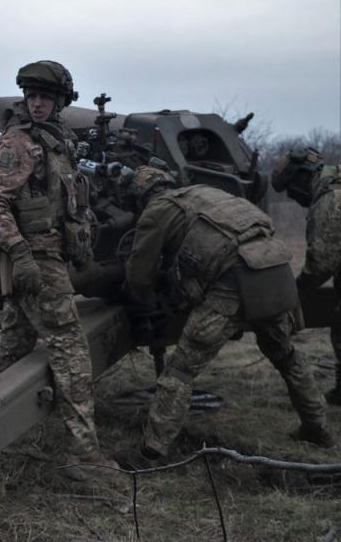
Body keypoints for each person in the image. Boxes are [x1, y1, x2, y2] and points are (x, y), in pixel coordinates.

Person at [116, 167, 333, 470]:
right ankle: (317, 428)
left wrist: (138, 294)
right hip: (275, 270)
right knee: (286, 355)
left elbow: (139, 275)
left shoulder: (158, 210)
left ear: (139, 196)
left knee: (180, 370)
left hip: (233, 283)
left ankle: (152, 452)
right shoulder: (209, 193)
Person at [0, 60, 111, 478]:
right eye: (30, 97)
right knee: (71, 352)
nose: (36, 104)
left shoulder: (56, 142)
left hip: (49, 258)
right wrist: (21, 255)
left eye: (44, 97)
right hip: (36, 262)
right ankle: (84, 457)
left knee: (10, 347)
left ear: (60, 102)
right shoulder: (19, 144)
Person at [271, 147, 341, 405]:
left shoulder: (331, 199)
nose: (295, 197)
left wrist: (295, 293)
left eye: (291, 189)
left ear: (301, 177)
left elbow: (321, 263)